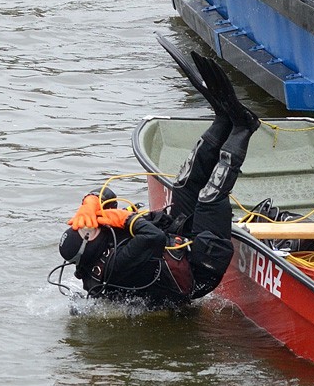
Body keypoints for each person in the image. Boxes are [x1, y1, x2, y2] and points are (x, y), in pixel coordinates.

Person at [58, 50, 260, 308]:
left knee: (184, 182)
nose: (93, 224)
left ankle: (222, 120)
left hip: (177, 244)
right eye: (88, 229)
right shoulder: (111, 267)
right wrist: (126, 218)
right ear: (89, 243)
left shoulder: (97, 238)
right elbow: (151, 238)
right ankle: (244, 128)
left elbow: (105, 194)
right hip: (199, 269)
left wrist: (90, 202)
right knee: (208, 198)